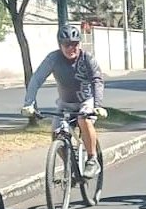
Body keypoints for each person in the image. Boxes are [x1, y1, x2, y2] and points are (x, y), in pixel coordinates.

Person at [21, 24, 107, 178]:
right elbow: (36, 79)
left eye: (74, 44)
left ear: (79, 44)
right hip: (65, 104)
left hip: (86, 101)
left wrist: (98, 105)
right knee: (57, 135)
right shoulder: (53, 59)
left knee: (83, 119)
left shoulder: (87, 59)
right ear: (60, 45)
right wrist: (29, 103)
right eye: (67, 45)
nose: (71, 48)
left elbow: (97, 81)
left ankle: (92, 159)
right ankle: (72, 167)